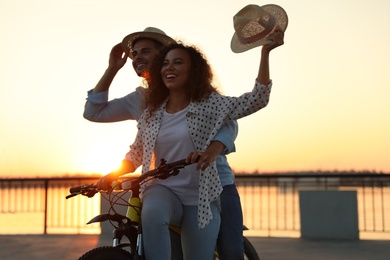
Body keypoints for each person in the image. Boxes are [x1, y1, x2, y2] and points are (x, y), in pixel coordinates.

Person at [97, 28, 285, 259]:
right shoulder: (151, 113)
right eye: (165, 63)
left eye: (178, 62)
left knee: (217, 252)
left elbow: (257, 99)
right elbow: (136, 153)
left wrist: (265, 53)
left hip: (202, 195)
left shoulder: (210, 104)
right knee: (152, 211)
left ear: (193, 70)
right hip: (163, 189)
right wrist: (114, 173)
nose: (170, 68)